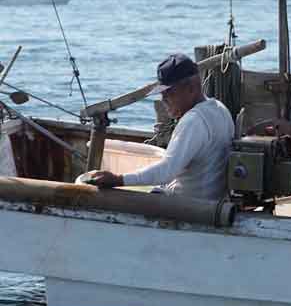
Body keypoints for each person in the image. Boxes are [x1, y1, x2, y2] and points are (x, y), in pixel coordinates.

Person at [80, 53, 235, 200]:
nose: (163, 99)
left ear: (191, 88)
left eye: (169, 92)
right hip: (213, 201)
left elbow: (166, 172)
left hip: (189, 207)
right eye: (162, 94)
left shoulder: (193, 121)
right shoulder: (219, 108)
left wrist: (117, 179)